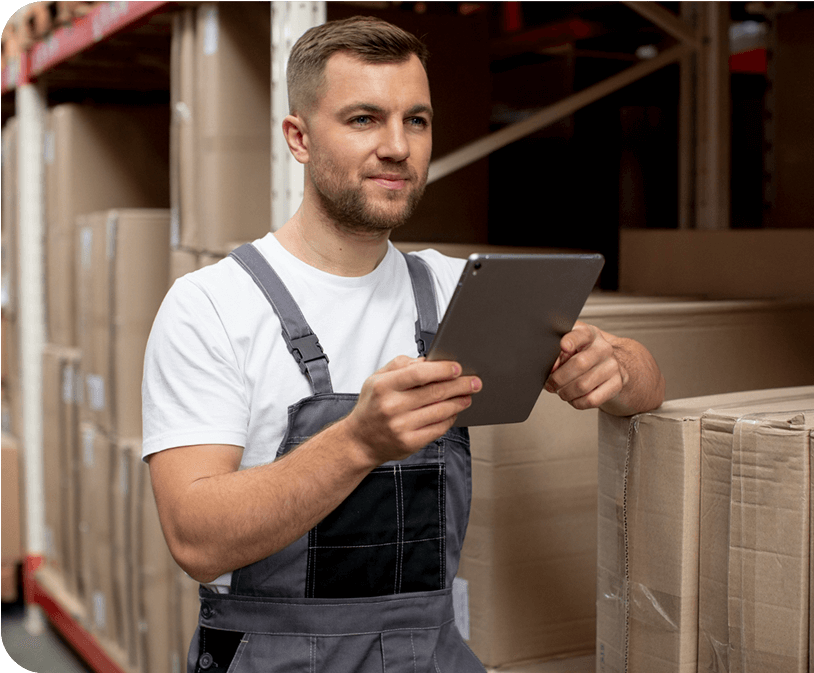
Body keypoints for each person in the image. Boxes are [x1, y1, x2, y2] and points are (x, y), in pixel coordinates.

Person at [142, 15, 665, 672]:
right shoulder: (213, 305)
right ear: (298, 138)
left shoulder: (455, 289)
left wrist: (611, 366)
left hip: (427, 649)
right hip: (272, 655)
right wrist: (358, 440)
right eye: (364, 119)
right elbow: (194, 534)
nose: (398, 146)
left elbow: (647, 384)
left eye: (415, 120)